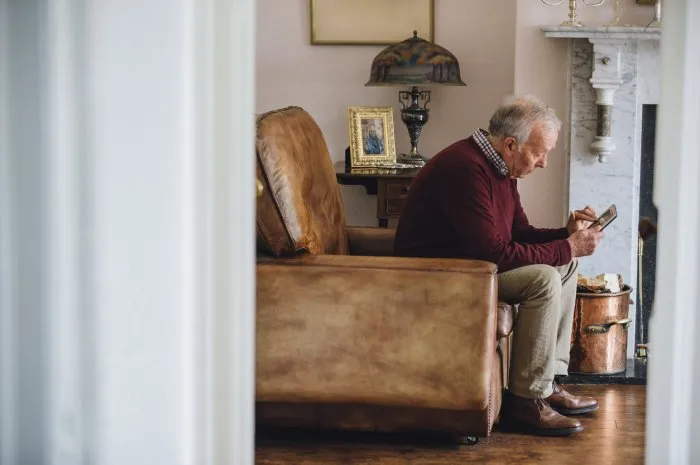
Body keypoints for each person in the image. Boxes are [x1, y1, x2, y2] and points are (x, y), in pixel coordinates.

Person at [394, 95, 605, 437]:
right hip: (439, 274)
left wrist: (565, 235)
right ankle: (526, 399)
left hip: (473, 266)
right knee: (545, 278)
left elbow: (519, 233)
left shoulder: (499, 167)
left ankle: (547, 381)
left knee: (566, 266)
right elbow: (493, 252)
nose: (543, 163)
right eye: (539, 152)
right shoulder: (465, 169)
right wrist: (566, 246)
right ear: (511, 144)